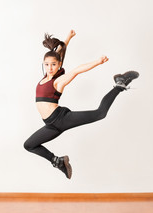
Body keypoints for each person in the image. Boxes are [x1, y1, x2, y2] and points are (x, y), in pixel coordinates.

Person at [24, 30, 139, 179]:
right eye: (47, 64)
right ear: (43, 64)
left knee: (100, 113)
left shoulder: (58, 81)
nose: (50, 67)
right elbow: (60, 51)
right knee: (29, 145)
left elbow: (77, 70)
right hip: (51, 125)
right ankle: (58, 161)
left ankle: (120, 84)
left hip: (60, 119)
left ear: (59, 65)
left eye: (53, 65)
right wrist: (68, 38)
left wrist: (98, 61)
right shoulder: (45, 77)